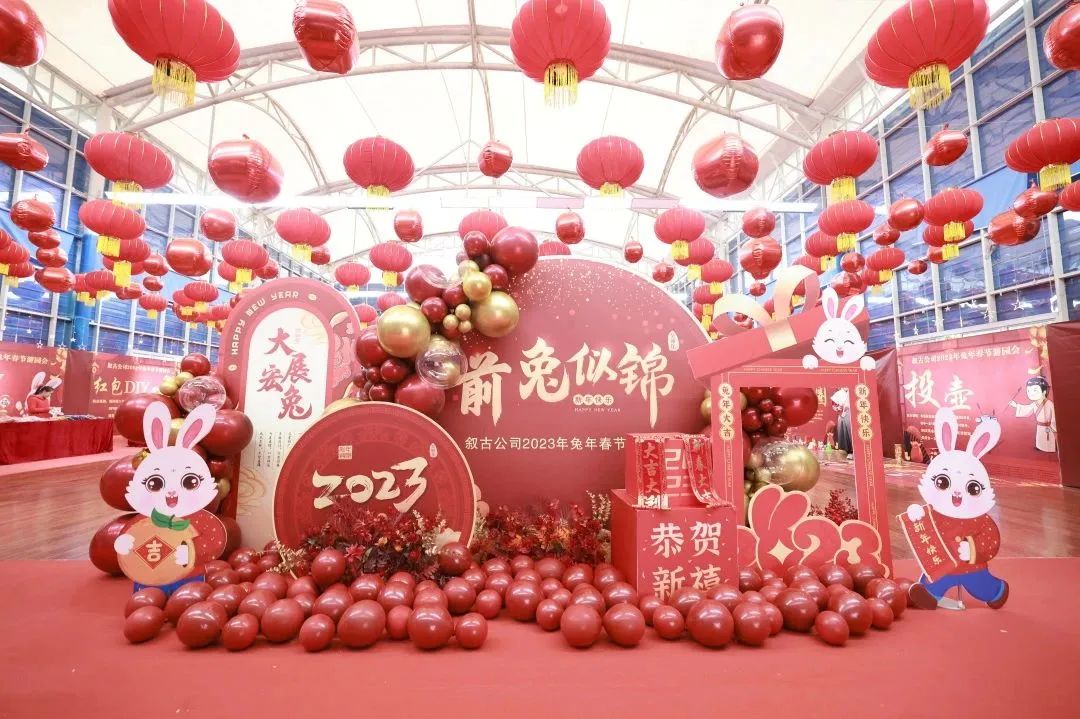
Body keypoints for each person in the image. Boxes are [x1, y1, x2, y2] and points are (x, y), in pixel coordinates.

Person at [1009, 376, 1056, 453]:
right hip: (1040, 426)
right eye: (1029, 391)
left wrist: (1054, 428)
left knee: (1048, 439)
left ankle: (1049, 448)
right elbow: (1028, 409)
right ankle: (1040, 447)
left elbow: (1054, 418)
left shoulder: (1049, 404)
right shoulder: (1034, 404)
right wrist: (1016, 405)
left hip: (1048, 427)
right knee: (1040, 438)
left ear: (1044, 392)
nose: (1031, 394)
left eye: (1035, 390)